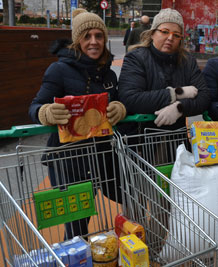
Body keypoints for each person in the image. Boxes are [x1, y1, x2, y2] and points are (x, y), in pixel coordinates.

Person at [28, 8, 126, 239]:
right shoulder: (59, 70)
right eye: (87, 36)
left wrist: (120, 109)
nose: (94, 42)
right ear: (76, 40)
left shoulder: (108, 74)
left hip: (103, 157)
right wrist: (47, 112)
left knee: (128, 197)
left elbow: (119, 102)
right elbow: (35, 107)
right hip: (68, 161)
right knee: (76, 225)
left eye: (99, 36)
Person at [118, 8, 210, 134]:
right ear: (152, 33)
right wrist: (174, 94)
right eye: (164, 32)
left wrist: (179, 108)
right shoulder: (136, 58)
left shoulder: (187, 61)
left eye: (176, 35)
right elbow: (130, 98)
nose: (170, 38)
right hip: (141, 141)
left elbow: (204, 97)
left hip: (175, 141)